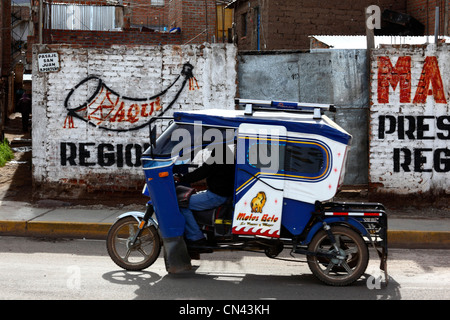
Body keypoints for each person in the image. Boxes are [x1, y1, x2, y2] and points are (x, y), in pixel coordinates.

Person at [176, 144, 235, 248]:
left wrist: (182, 179)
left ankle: (196, 237)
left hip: (216, 196)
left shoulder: (219, 154)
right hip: (222, 194)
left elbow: (202, 172)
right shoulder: (227, 155)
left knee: (181, 204)